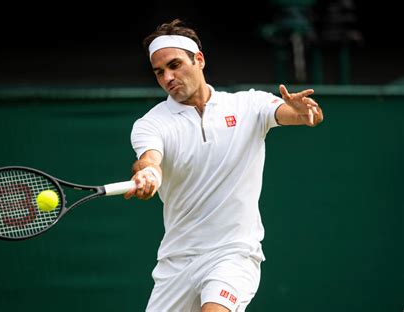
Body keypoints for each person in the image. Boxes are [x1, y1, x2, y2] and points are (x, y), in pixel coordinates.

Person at [124, 18, 324, 312]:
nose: (168, 77)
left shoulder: (248, 105)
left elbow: (302, 116)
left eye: (175, 65)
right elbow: (149, 159)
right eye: (159, 72)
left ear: (199, 60)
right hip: (177, 261)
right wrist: (148, 174)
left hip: (233, 253)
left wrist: (305, 112)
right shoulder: (151, 124)